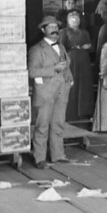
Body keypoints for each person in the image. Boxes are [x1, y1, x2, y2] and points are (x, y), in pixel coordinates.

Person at [27, 16, 74, 168]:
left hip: (61, 91)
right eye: (50, 27)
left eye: (56, 27)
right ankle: (40, 158)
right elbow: (32, 72)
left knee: (58, 124)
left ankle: (58, 155)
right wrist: (53, 69)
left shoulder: (61, 47)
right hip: (45, 93)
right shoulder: (36, 50)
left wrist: (69, 79)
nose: (54, 30)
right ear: (43, 30)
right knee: (42, 126)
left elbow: (67, 65)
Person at [58, 10, 94, 122]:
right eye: (72, 17)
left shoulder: (85, 32)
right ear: (68, 20)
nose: (75, 20)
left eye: (77, 17)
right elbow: (60, 48)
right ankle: (70, 113)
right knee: (72, 85)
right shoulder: (64, 32)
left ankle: (83, 111)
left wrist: (88, 47)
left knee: (84, 85)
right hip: (71, 60)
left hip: (84, 60)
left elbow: (92, 47)